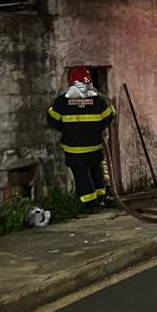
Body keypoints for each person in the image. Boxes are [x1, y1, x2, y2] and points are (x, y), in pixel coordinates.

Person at [47, 67, 115, 213]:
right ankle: (101, 199)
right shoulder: (97, 100)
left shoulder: (62, 101)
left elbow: (52, 120)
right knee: (97, 173)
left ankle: (90, 206)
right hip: (95, 147)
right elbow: (109, 116)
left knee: (82, 176)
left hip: (74, 149)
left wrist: (65, 127)